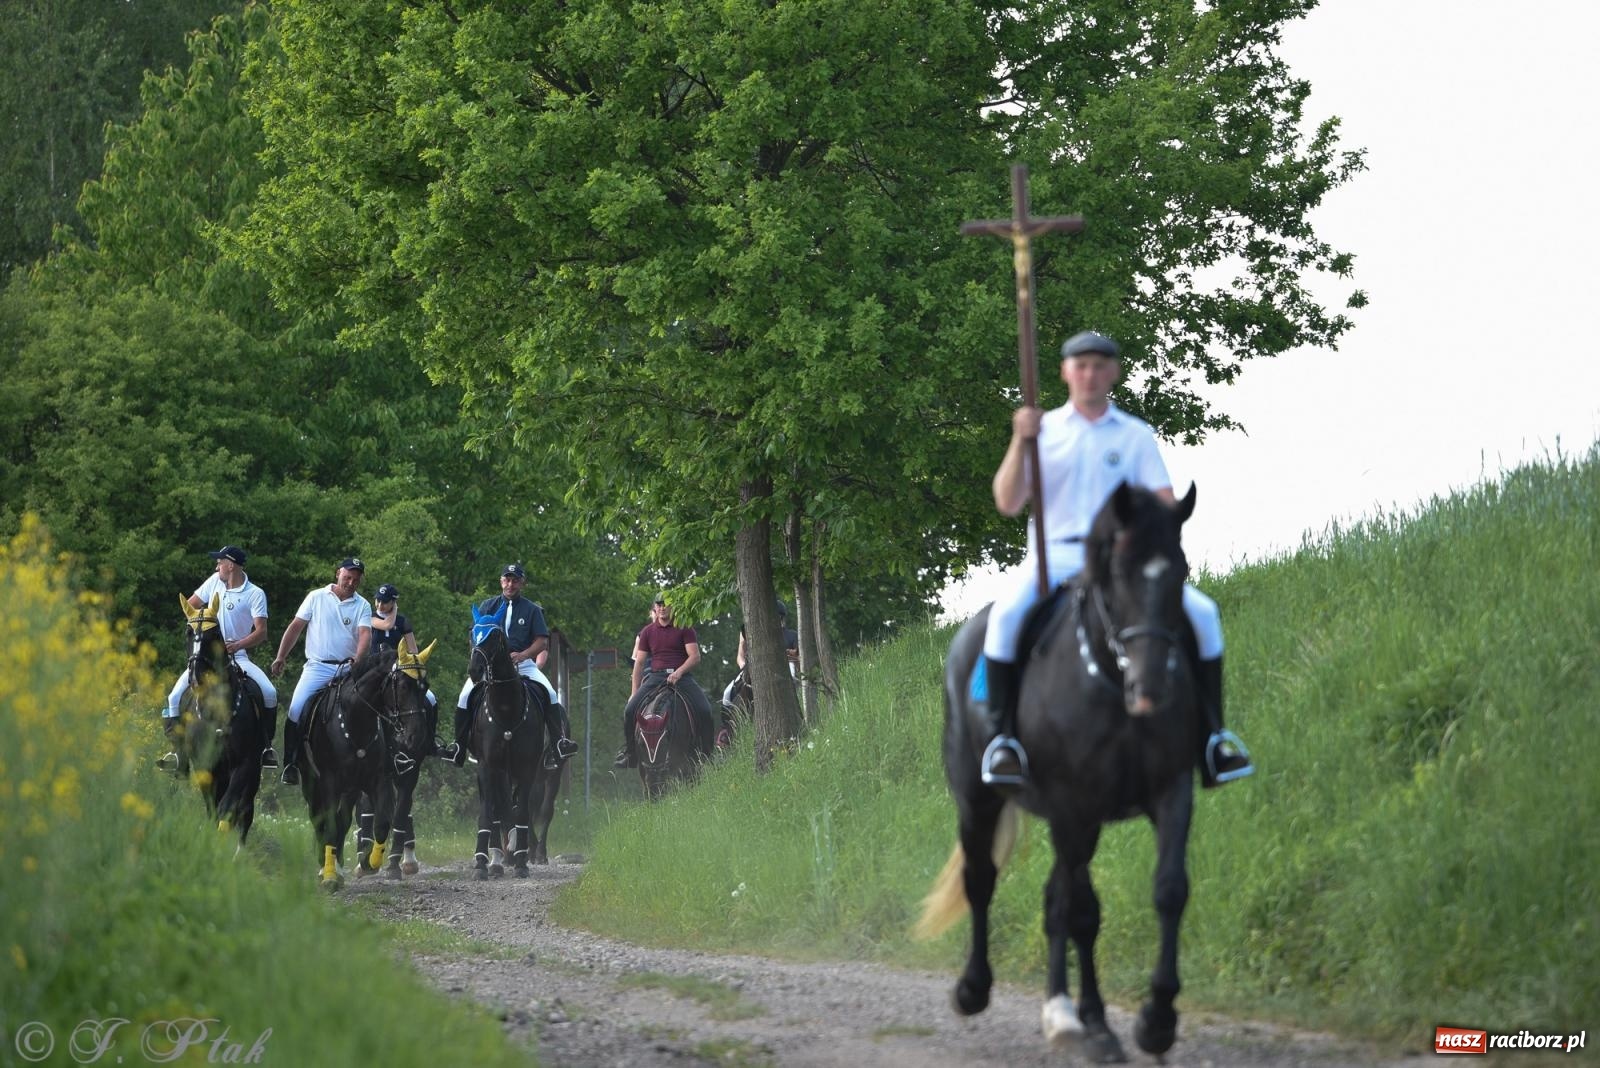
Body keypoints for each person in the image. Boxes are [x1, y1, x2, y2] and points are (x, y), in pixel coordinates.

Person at [980, 330, 1254, 789]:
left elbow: (1165, 503)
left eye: (1099, 366)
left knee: (1204, 613)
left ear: (1113, 372)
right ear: (1066, 371)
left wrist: (1157, 528)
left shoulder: (1134, 435)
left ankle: (1213, 740)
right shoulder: (1041, 432)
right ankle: (1002, 740)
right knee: (1005, 618)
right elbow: (1008, 502)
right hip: (1058, 555)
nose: (1090, 375)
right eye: (1080, 366)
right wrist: (1017, 440)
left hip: (1121, 560)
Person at [442, 564, 579, 769]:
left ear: (522, 583)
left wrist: (524, 655)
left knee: (550, 693)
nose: (510, 584)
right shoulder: (488, 606)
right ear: (501, 581)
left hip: (523, 664)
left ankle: (558, 744)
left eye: (515, 580)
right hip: (490, 666)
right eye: (507, 579)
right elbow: (474, 635)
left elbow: (541, 641)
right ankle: (459, 747)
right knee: (464, 697)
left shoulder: (532, 609)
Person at [158, 545, 278, 771]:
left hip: (237, 655)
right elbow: (191, 606)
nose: (216, 565)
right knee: (174, 697)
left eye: (219, 561)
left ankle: (265, 748)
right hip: (206, 658)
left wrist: (237, 644)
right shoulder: (213, 581)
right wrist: (200, 632)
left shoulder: (255, 593)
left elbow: (261, 632)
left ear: (230, 565)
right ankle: (178, 753)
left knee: (269, 693)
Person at [270, 557, 373, 786]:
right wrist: (281, 656)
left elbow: (365, 633)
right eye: (347, 577)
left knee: (369, 705)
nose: (350, 583)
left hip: (347, 668)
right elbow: (296, 627)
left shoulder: (363, 605)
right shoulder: (316, 597)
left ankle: (374, 763)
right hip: (317, 667)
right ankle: (291, 763)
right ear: (337, 573)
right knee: (296, 709)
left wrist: (358, 657)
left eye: (355, 580)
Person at [614, 591, 716, 767]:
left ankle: (708, 755)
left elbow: (695, 656)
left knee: (705, 710)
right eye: (659, 605)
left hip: (682, 677)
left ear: (672, 607)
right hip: (655, 676)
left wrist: (679, 672)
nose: (662, 608)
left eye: (665, 604)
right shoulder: (647, 632)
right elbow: (639, 664)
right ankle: (631, 754)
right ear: (655, 607)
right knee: (630, 710)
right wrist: (634, 692)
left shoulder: (685, 627)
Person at [370, 582, 444, 755]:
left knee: (431, 699)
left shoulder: (403, 622)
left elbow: (413, 651)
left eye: (385, 601)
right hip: (375, 671)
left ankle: (430, 741)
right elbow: (387, 625)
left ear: (393, 602)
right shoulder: (368, 616)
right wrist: (394, 609)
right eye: (378, 600)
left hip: (399, 671)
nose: (380, 605)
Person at [721, 598, 800, 716]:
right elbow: (740, 656)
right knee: (727, 693)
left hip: (787, 665)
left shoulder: (792, 635)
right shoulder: (758, 635)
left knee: (792, 677)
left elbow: (799, 657)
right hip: (753, 666)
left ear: (779, 617)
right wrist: (744, 666)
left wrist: (788, 654)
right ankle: (728, 726)